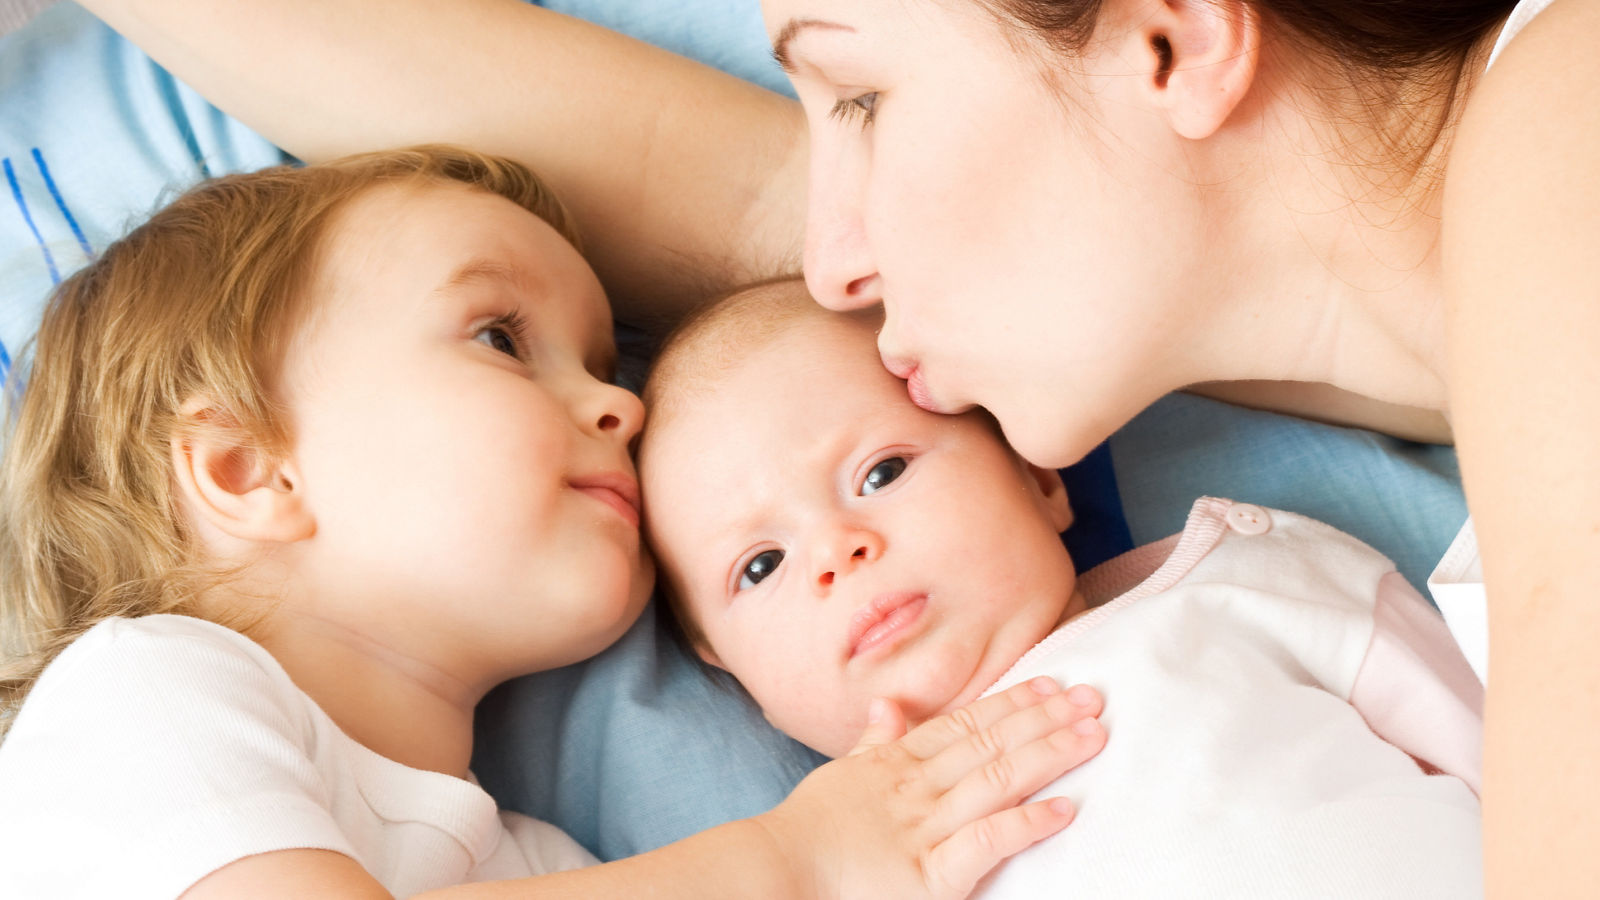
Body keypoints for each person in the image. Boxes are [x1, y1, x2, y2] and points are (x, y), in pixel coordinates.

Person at [57, 0, 1600, 890]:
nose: (830, 258)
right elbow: (718, 201)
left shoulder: (1564, 110)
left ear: (1168, 38)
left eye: (858, 96)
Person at [0, 145, 1109, 898]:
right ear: (247, 469)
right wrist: (791, 861)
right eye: (498, 337)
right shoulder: (143, 695)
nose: (619, 403)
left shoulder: (537, 858)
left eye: (594, 360)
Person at [638, 278, 1485, 897]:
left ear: (1038, 478)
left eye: (882, 470)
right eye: (760, 566)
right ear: (729, 673)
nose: (835, 550)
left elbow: (1516, 753)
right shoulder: (849, 869)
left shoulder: (1249, 579)